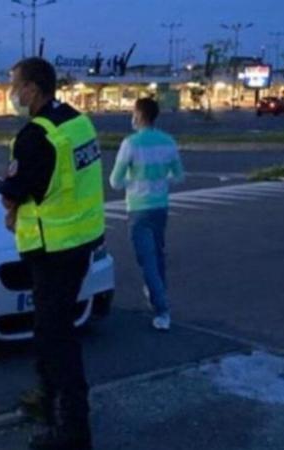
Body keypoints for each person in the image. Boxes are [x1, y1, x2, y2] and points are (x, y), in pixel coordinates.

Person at [0, 57, 105, 450]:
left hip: (53, 249)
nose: (11, 93)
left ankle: (74, 430)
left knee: (57, 339)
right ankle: (48, 401)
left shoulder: (35, 136)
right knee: (49, 332)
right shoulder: (78, 121)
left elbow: (13, 190)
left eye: (14, 84)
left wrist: (11, 210)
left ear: (32, 88)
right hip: (81, 240)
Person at [109, 98, 184, 331]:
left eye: (133, 112)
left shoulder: (131, 144)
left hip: (138, 207)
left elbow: (115, 181)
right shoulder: (168, 142)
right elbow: (179, 175)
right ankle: (157, 293)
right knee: (158, 255)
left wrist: (134, 180)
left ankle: (162, 309)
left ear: (139, 115)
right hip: (160, 207)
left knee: (147, 260)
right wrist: (159, 179)